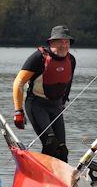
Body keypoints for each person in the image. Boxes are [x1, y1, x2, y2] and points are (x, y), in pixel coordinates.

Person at [12, 25, 77, 162]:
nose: (63, 45)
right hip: (37, 105)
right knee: (50, 143)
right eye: (60, 41)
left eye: (67, 42)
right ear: (51, 42)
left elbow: (66, 84)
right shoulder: (38, 58)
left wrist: (63, 103)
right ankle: (40, 174)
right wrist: (18, 111)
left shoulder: (71, 60)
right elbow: (19, 82)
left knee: (62, 151)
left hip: (56, 106)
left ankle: (59, 179)